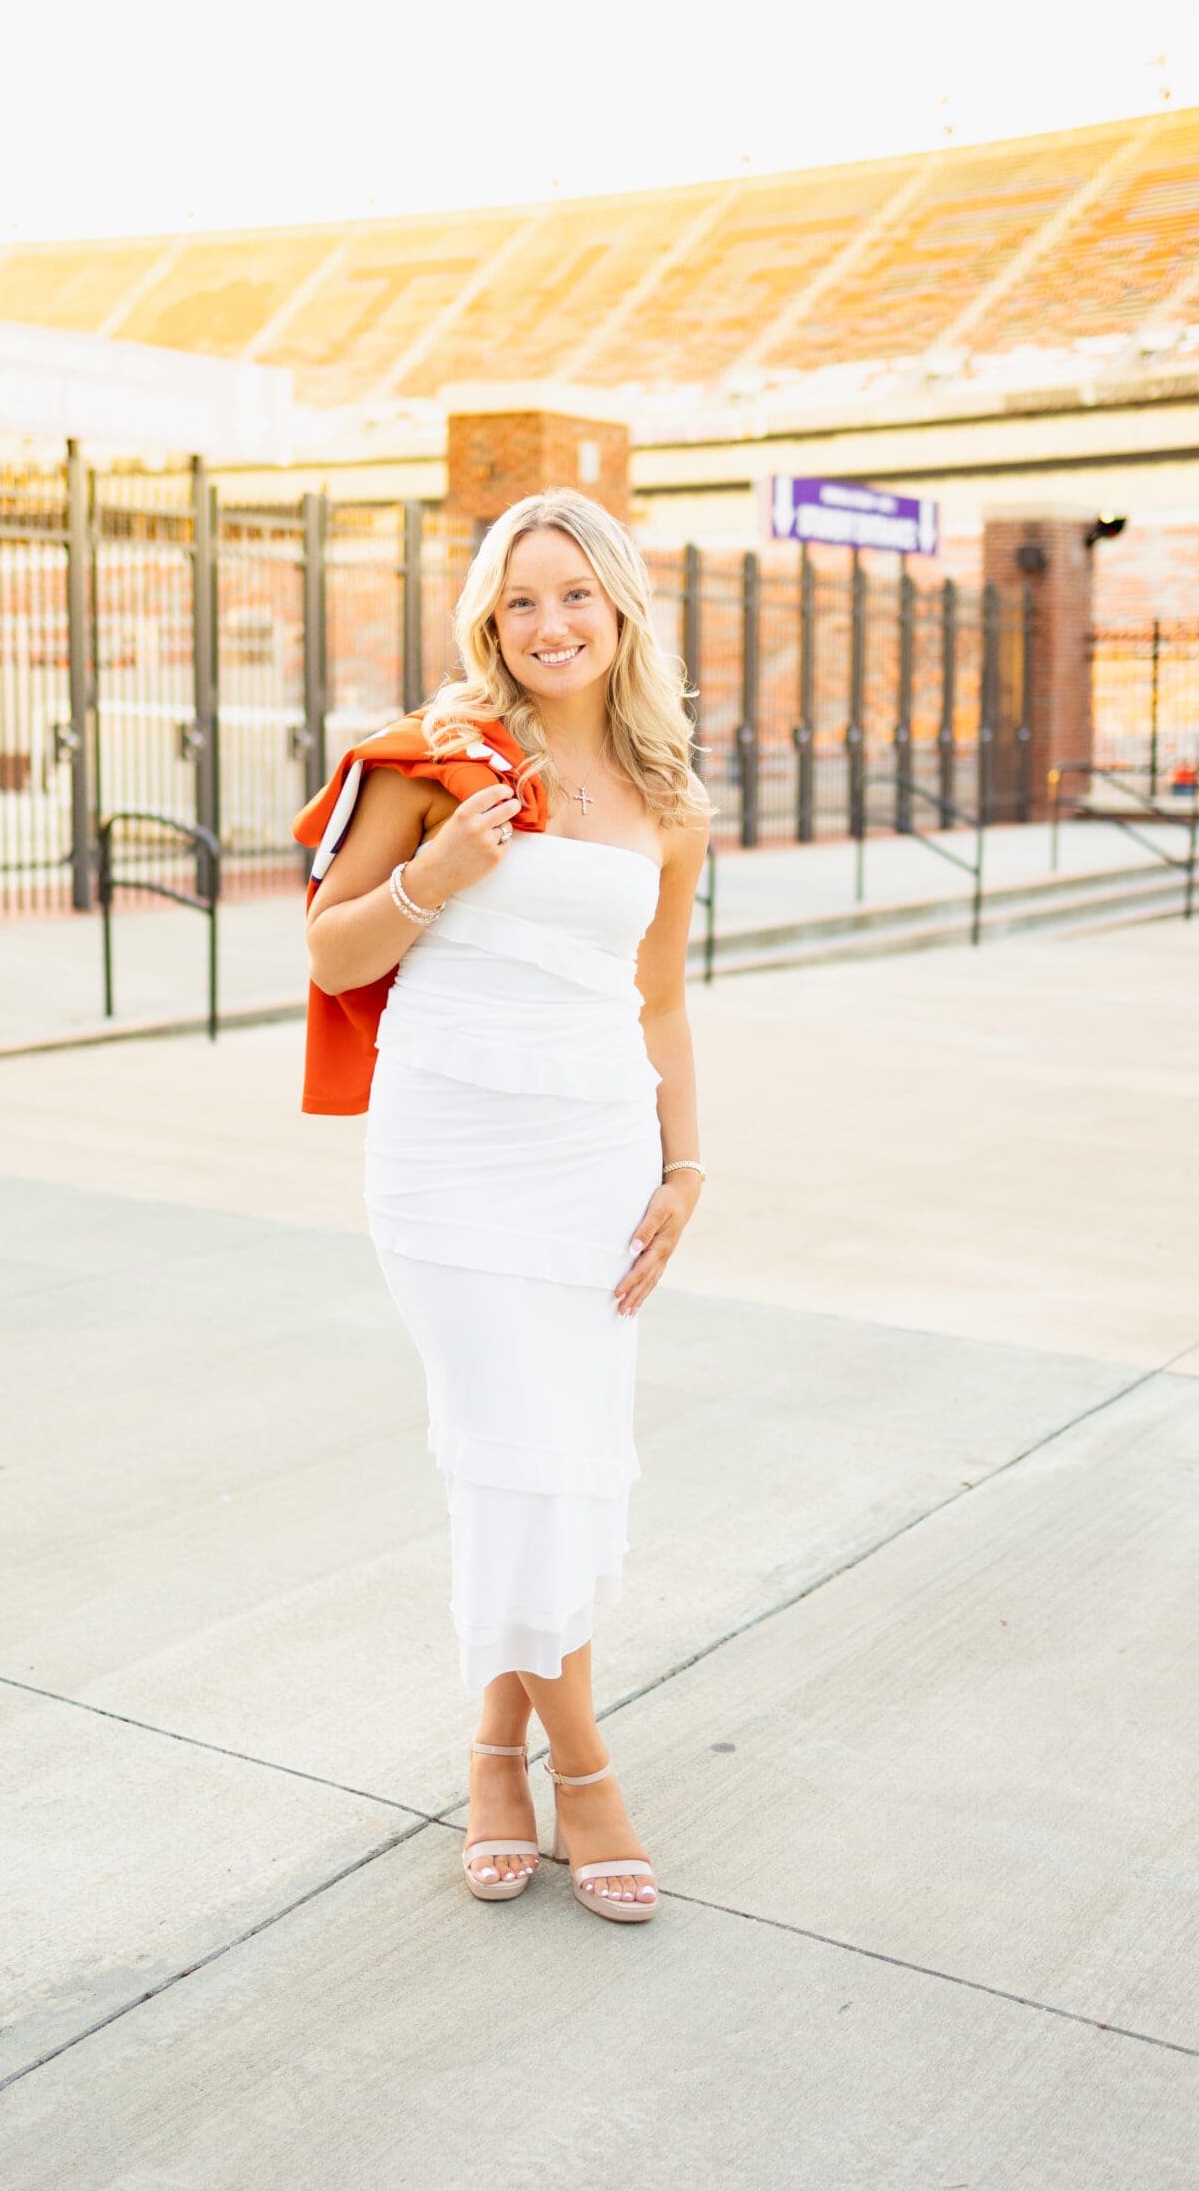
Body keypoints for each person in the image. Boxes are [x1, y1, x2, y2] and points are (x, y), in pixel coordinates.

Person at [300, 489, 710, 1924]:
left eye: (577, 598)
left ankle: (492, 1753)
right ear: (491, 616)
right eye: (523, 600)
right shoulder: (439, 762)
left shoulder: (668, 801)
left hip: (595, 1158)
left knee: (550, 1459)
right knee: (510, 1443)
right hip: (450, 1156)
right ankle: (583, 1770)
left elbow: (659, 998)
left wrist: (686, 1168)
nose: (550, 626)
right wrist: (433, 873)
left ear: (620, 612)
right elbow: (335, 951)